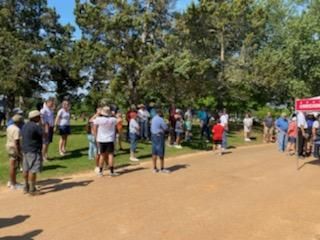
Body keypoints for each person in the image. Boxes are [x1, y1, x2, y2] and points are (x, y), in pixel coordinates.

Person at [21, 110, 43, 195]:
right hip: (33, 150)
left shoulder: (24, 126)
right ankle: (32, 189)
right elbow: (43, 134)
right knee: (32, 170)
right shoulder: (35, 126)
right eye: (39, 116)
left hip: (25, 150)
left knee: (25, 169)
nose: (40, 118)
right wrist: (41, 125)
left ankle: (25, 187)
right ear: (35, 117)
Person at [93, 106, 119, 177]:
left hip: (101, 139)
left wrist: (97, 114)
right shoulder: (113, 119)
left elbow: (92, 122)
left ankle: (100, 172)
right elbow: (119, 119)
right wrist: (113, 114)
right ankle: (111, 171)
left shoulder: (98, 119)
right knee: (110, 155)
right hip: (110, 139)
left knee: (102, 155)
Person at [6, 115, 24, 190]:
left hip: (9, 147)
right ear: (19, 122)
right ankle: (13, 184)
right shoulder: (17, 129)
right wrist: (19, 153)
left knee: (12, 166)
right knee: (14, 166)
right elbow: (17, 142)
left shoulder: (9, 127)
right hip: (14, 149)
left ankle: (11, 181)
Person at [151, 109, 170, 173]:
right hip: (159, 136)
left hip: (153, 136)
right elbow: (165, 128)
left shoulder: (153, 118)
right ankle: (162, 168)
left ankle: (154, 168)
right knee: (161, 152)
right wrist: (167, 123)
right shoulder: (160, 119)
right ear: (160, 113)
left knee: (154, 152)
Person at [87, 108, 101, 174]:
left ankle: (90, 156)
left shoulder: (97, 118)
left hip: (93, 135)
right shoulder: (94, 119)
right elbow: (90, 121)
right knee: (96, 149)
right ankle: (97, 165)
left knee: (91, 146)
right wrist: (97, 114)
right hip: (94, 136)